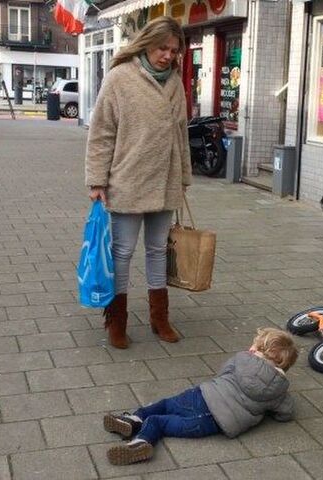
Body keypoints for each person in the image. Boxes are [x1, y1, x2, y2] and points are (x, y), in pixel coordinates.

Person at [85, 17, 192, 349]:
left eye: (173, 51)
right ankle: (116, 321)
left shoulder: (174, 82)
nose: (168, 56)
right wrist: (97, 179)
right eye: (162, 48)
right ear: (147, 43)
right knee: (122, 252)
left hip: (165, 180)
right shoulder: (120, 78)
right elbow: (101, 132)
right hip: (128, 179)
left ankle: (160, 318)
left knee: (159, 250)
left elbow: (182, 133)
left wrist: (184, 175)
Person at [103, 327, 298, 465]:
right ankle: (139, 443)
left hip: (200, 395)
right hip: (213, 422)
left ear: (256, 349)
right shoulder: (280, 389)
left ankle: (133, 422)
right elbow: (286, 412)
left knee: (162, 407)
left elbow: (223, 374)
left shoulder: (242, 358)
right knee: (161, 422)